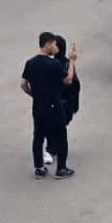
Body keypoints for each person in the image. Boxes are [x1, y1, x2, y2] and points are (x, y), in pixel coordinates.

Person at [19, 32, 78, 179]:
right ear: (47, 45)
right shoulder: (54, 64)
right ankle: (61, 169)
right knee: (60, 135)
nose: (55, 47)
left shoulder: (30, 63)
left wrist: (33, 95)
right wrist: (72, 61)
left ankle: (39, 167)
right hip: (54, 105)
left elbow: (23, 84)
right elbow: (69, 80)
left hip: (38, 106)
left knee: (38, 136)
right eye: (53, 44)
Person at [43, 34, 81, 167]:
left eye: (55, 45)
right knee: (53, 127)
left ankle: (54, 151)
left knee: (57, 127)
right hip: (59, 101)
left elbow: (71, 80)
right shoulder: (60, 62)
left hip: (63, 101)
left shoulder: (60, 63)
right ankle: (51, 150)